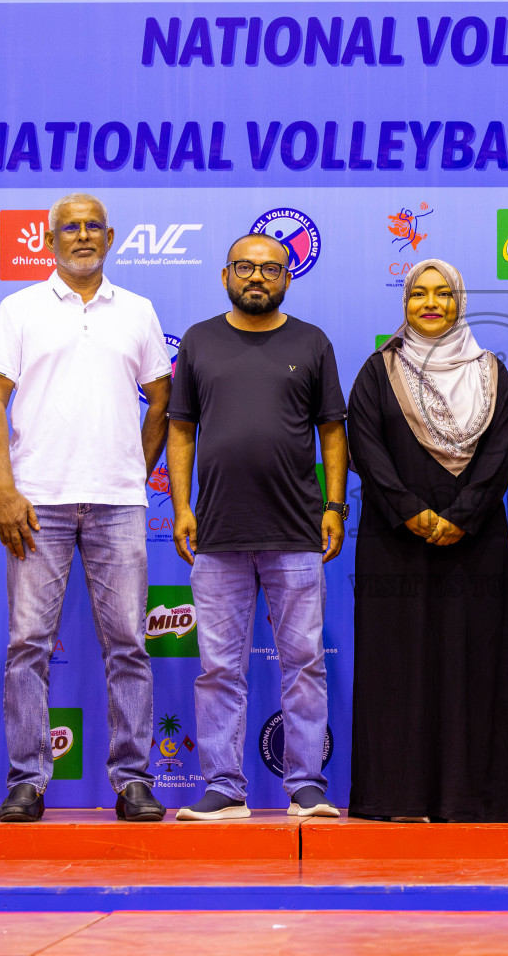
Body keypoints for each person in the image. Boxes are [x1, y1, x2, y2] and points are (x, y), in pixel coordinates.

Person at [0, 193, 173, 823]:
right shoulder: (19, 308)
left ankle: (133, 780)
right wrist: (3, 491)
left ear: (110, 238)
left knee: (128, 645)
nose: (83, 236)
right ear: (50, 239)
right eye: (71, 227)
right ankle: (27, 781)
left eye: (93, 227)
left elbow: (160, 398)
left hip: (118, 504)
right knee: (28, 644)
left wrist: (135, 471)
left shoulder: (138, 311)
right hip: (38, 502)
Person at [166, 233, 348, 821]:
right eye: (245, 266)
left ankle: (306, 786)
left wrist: (335, 506)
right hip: (216, 533)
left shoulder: (312, 342)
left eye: (270, 268)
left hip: (296, 531)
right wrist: (181, 507)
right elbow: (181, 429)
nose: (257, 277)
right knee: (219, 667)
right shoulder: (197, 341)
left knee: (304, 664)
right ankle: (223, 787)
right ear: (225, 275)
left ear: (287, 278)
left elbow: (332, 431)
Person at [346, 258, 508, 823]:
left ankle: (475, 799)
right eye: (419, 294)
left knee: (474, 666)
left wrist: (462, 514)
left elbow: (502, 450)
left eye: (443, 293)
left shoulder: (491, 371)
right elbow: (366, 450)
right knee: (398, 667)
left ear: (460, 302)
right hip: (394, 540)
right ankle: (398, 797)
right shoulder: (378, 372)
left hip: (474, 543)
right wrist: (413, 514)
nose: (431, 303)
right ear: (404, 303)